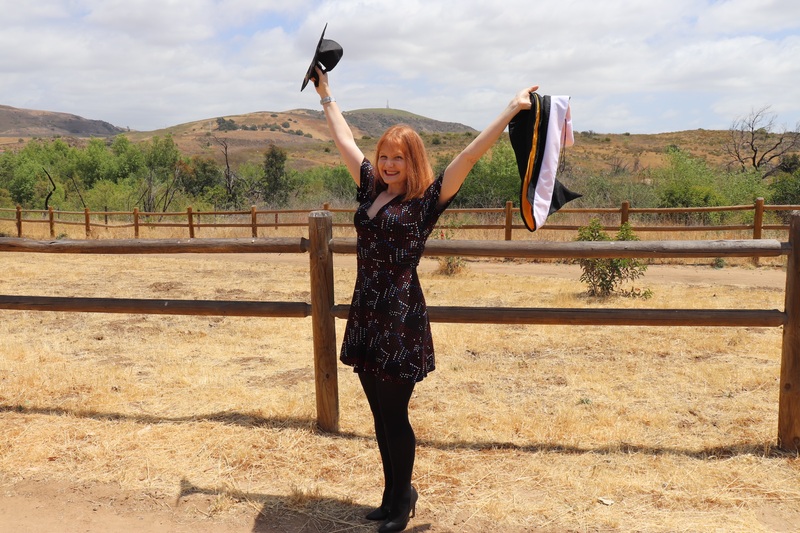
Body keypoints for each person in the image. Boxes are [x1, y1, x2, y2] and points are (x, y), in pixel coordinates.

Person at [311, 65, 537, 533]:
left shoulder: (426, 201)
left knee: (395, 415)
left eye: (399, 158)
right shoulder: (371, 188)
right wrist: (326, 94)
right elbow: (345, 142)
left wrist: (512, 108)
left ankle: (401, 505)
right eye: (385, 156)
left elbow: (469, 156)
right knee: (377, 412)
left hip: (398, 317)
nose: (390, 165)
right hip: (367, 312)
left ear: (414, 162)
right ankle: (393, 495)